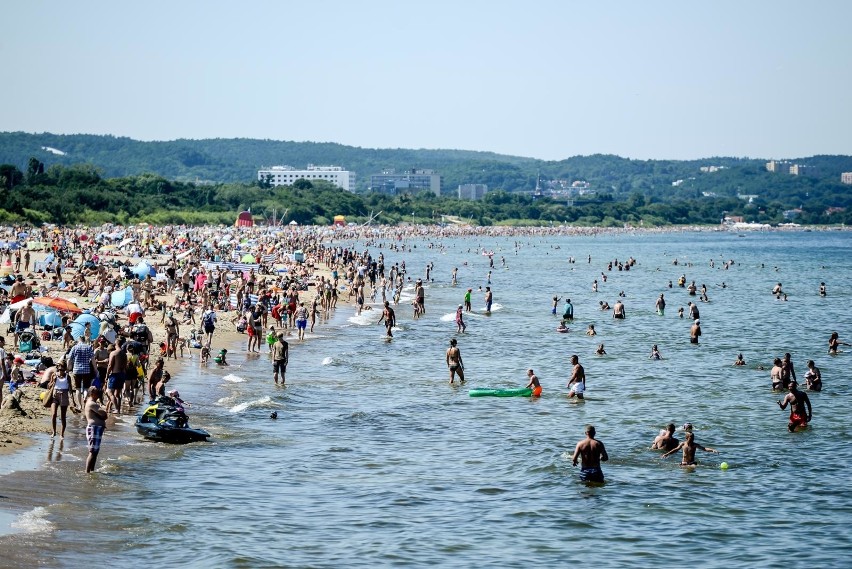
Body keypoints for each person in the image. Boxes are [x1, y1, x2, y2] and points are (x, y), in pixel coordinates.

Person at [49, 361, 77, 438]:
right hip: (55, 396)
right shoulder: (54, 375)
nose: (61, 371)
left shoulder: (68, 377)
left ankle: (62, 434)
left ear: (65, 369)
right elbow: (49, 386)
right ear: (58, 368)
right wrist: (53, 381)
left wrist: (73, 400)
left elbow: (70, 389)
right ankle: (54, 432)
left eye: (62, 370)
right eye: (59, 369)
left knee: (63, 416)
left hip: (64, 396)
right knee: (53, 414)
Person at [85, 386, 108, 473]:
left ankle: (92, 471)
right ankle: (87, 472)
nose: (98, 394)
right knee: (92, 451)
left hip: (97, 428)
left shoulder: (92, 403)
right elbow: (104, 414)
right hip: (94, 428)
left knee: (95, 452)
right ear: (92, 393)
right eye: (97, 393)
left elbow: (103, 415)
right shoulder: (91, 403)